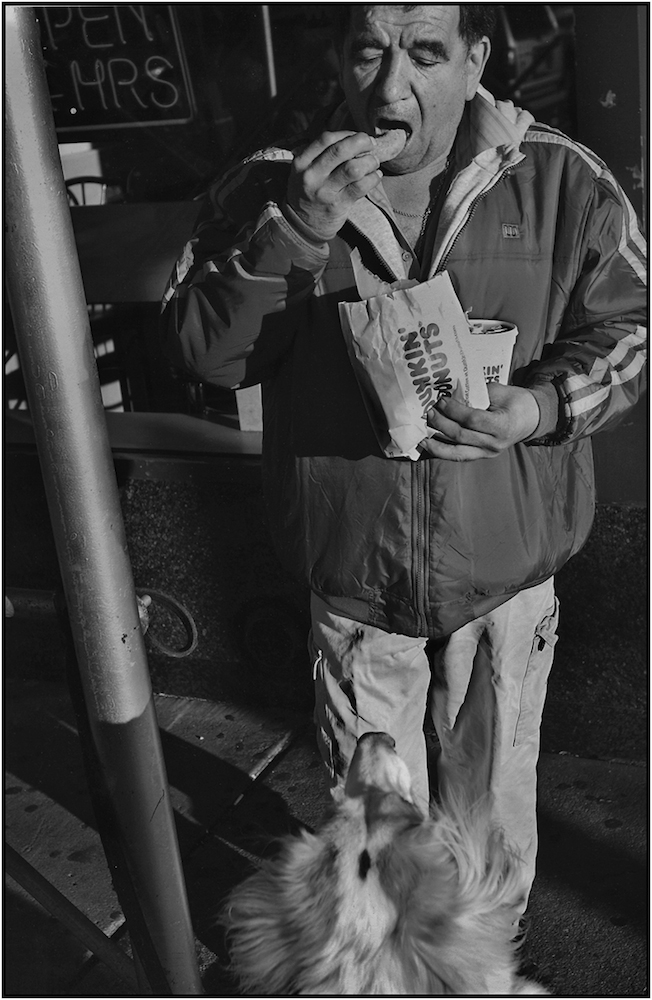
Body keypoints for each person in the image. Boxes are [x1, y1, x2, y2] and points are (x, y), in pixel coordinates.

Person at [161, 5, 646, 912]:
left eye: (425, 53)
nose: (391, 87)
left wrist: (540, 406)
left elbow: (632, 330)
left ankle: (480, 968)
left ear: (475, 62)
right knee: (378, 839)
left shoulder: (560, 179)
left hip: (505, 578)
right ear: (339, 64)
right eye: (368, 52)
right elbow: (201, 350)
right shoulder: (270, 186)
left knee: (491, 833)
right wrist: (294, 232)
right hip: (354, 583)